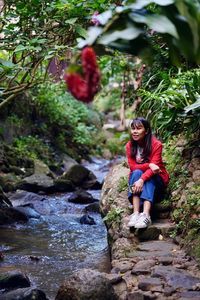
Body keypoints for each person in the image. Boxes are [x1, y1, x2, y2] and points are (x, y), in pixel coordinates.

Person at [126, 117, 170, 229]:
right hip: (138, 180)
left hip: (157, 181)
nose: (135, 131)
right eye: (133, 128)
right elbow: (132, 166)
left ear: (146, 131)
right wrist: (149, 165)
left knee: (148, 177)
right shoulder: (129, 146)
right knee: (135, 173)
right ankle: (136, 213)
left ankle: (146, 215)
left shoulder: (156, 145)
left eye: (139, 128)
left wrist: (142, 179)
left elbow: (155, 169)